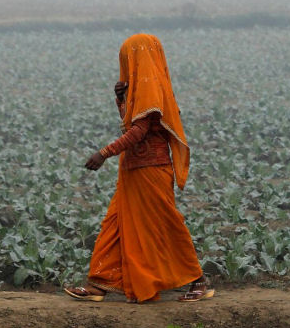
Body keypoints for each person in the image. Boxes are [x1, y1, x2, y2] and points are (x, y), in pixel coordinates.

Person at [64, 33, 213, 304]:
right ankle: (100, 284)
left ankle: (197, 280)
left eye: (128, 59)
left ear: (138, 60)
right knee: (115, 224)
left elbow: (139, 130)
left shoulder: (152, 89)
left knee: (165, 224)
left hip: (152, 170)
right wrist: (121, 100)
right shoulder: (140, 91)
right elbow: (129, 121)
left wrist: (104, 153)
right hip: (132, 170)